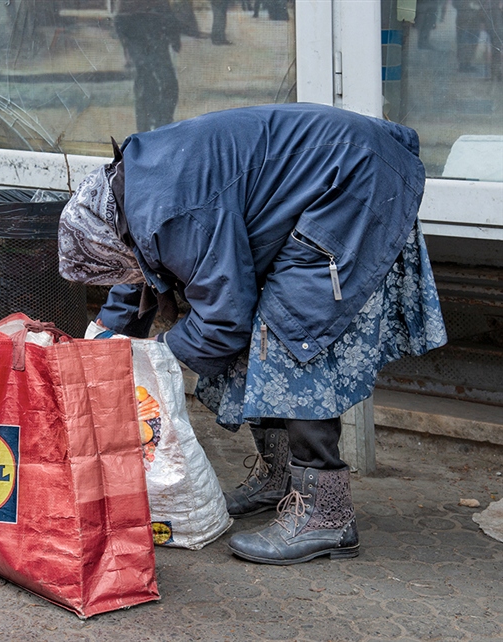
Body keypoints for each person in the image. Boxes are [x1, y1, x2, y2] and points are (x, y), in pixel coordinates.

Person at [57, 103, 447, 565]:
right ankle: (281, 478)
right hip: (335, 168)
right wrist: (105, 333)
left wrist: (159, 353)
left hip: (354, 179)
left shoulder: (173, 211)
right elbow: (140, 260)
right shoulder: (133, 191)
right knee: (260, 319)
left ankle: (327, 515)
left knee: (291, 332)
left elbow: (224, 320)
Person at [114, 0, 182, 131]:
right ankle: (159, 124)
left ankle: (152, 125)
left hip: (143, 26)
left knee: (150, 79)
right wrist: (174, 36)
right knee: (161, 81)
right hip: (146, 26)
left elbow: (120, 16)